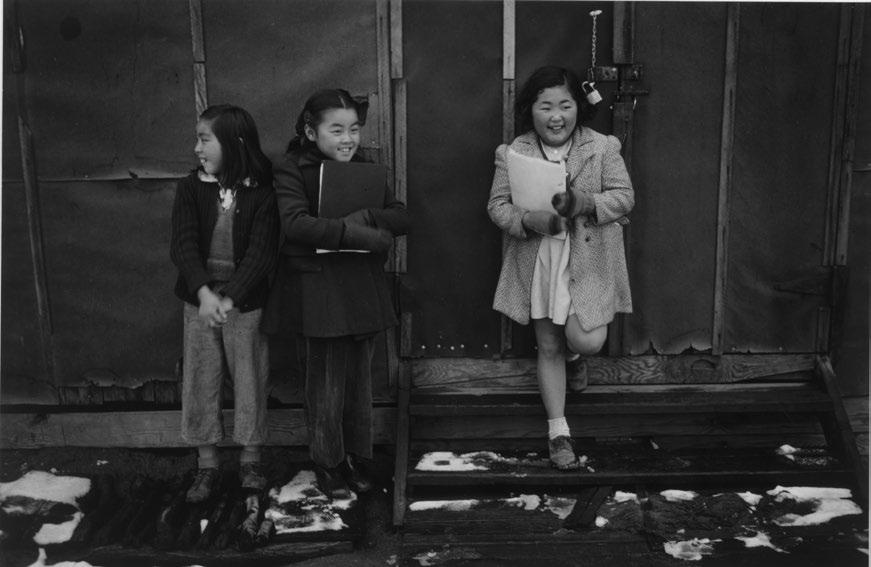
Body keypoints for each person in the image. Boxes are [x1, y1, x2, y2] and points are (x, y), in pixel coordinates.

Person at [263, 89, 410, 498]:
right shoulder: (292, 169)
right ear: (311, 132)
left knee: (359, 381)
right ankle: (327, 462)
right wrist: (356, 233)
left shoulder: (364, 168)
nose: (348, 139)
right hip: (317, 291)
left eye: (354, 130)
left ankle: (356, 457)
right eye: (337, 130)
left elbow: (401, 216)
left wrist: (367, 216)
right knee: (325, 382)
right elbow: (295, 224)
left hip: (359, 285)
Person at [487, 66, 634, 469]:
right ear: (530, 110)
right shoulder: (514, 151)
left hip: (588, 260)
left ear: (578, 108)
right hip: (542, 259)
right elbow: (497, 206)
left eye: (565, 105)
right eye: (545, 106)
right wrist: (528, 220)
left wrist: (586, 203)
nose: (556, 116)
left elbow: (624, 197)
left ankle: (576, 358)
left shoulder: (603, 146)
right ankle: (558, 434)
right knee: (548, 345)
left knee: (586, 340)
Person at [170, 104, 279, 502]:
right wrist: (204, 293)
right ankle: (207, 465)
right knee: (201, 377)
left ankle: (250, 460)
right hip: (199, 301)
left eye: (204, 139)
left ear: (234, 143)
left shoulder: (262, 193)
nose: (197, 148)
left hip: (244, 303)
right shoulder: (191, 188)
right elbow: (182, 244)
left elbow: (261, 253)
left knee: (250, 377)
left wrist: (230, 297)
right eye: (197, 139)